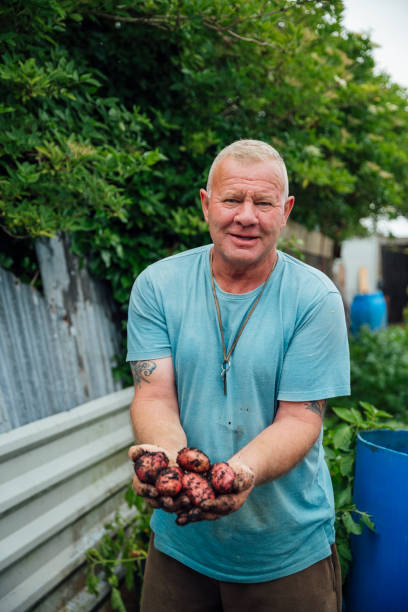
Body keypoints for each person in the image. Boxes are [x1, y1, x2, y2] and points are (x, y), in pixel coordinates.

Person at [126, 139, 350, 612]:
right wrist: (166, 462)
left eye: (263, 202)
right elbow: (154, 397)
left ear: (285, 211)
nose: (246, 216)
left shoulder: (315, 299)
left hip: (286, 552)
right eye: (232, 199)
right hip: (181, 545)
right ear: (207, 204)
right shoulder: (158, 286)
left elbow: (300, 420)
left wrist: (239, 474)